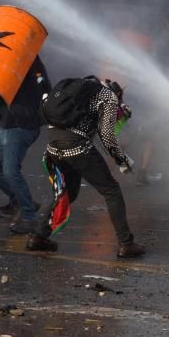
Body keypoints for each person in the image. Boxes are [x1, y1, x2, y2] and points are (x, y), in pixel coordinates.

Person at [27, 77, 145, 259]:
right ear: (118, 94)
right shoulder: (107, 97)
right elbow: (107, 137)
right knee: (111, 190)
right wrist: (122, 161)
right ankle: (126, 244)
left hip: (53, 146)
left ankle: (38, 236)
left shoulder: (76, 91)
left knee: (68, 193)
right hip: (77, 148)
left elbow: (89, 129)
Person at [0, 56, 50, 234]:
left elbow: (43, 88)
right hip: (6, 122)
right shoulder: (4, 63)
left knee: (10, 170)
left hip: (22, 123)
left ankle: (29, 217)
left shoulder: (29, 62)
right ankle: (21, 199)